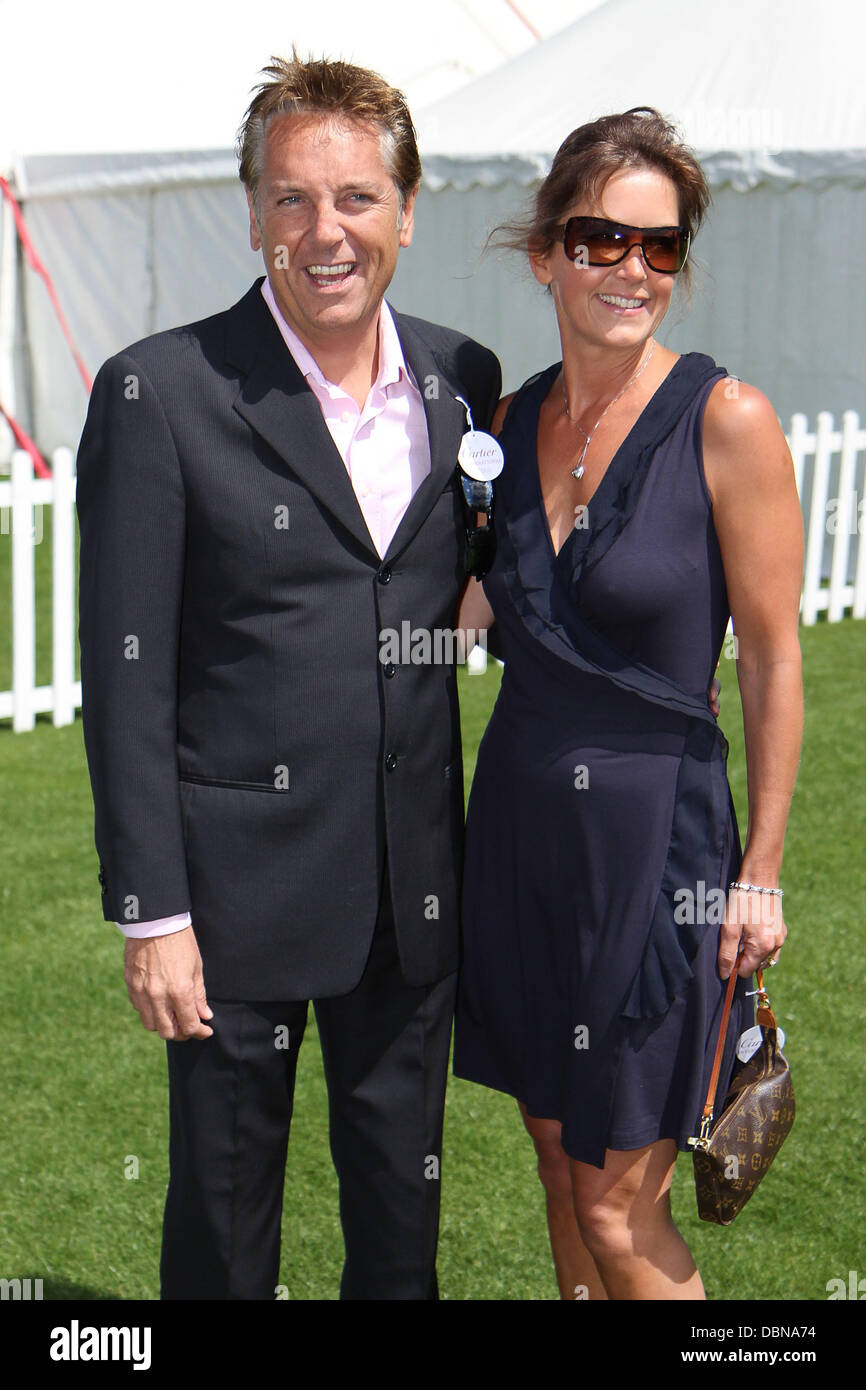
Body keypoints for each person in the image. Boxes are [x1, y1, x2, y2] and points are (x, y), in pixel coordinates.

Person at [76, 52, 500, 1300]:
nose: (327, 233)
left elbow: (476, 580)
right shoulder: (161, 391)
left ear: (407, 212)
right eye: (294, 200)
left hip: (411, 891)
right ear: (254, 210)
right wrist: (152, 916)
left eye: (358, 199)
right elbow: (124, 674)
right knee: (219, 1238)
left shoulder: (459, 377)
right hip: (228, 906)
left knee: (399, 1241)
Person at [454, 108, 803, 1301]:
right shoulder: (502, 427)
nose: (632, 269)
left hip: (659, 850)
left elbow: (769, 658)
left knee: (616, 1206)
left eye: (660, 246)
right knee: (556, 1161)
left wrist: (756, 865)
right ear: (546, 250)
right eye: (601, 239)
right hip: (517, 834)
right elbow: (460, 613)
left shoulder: (728, 421)